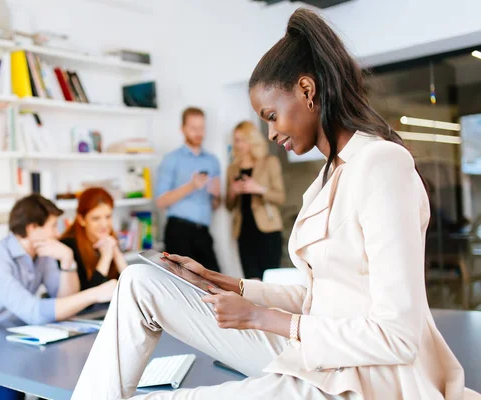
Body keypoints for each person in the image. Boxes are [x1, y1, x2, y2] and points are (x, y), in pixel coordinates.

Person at [71, 8, 477, 400]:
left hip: (369, 378)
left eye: (271, 115)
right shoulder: (328, 177)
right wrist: (227, 282)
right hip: (321, 355)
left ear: (306, 90)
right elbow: (323, 300)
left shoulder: (382, 164)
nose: (269, 132)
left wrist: (257, 316)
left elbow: (398, 335)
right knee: (140, 283)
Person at [0, 194, 117, 400]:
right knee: (11, 391)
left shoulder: (42, 254)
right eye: (53, 226)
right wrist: (95, 294)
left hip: (10, 342)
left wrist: (67, 261)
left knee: (60, 374)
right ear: (32, 229)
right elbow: (34, 313)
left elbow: (65, 300)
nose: (57, 233)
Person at [155, 107, 221, 272]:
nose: (198, 133)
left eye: (201, 128)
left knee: (214, 283)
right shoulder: (171, 159)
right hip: (179, 232)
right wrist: (191, 186)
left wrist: (217, 195)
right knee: (181, 285)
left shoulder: (212, 161)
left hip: (203, 232)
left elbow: (216, 204)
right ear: (183, 129)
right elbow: (161, 201)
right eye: (193, 128)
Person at [226, 120, 286, 279]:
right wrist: (233, 191)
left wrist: (258, 189)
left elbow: (280, 197)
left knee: (271, 280)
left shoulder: (269, 162)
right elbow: (229, 205)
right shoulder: (232, 168)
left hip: (268, 230)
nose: (238, 144)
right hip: (244, 232)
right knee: (252, 283)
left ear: (252, 139)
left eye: (242, 139)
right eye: (236, 140)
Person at [60, 187, 128, 290]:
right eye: (96, 218)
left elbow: (130, 284)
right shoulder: (68, 246)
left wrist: (116, 253)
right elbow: (88, 298)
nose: (104, 224)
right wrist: (106, 257)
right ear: (81, 219)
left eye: (108, 216)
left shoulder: (110, 238)